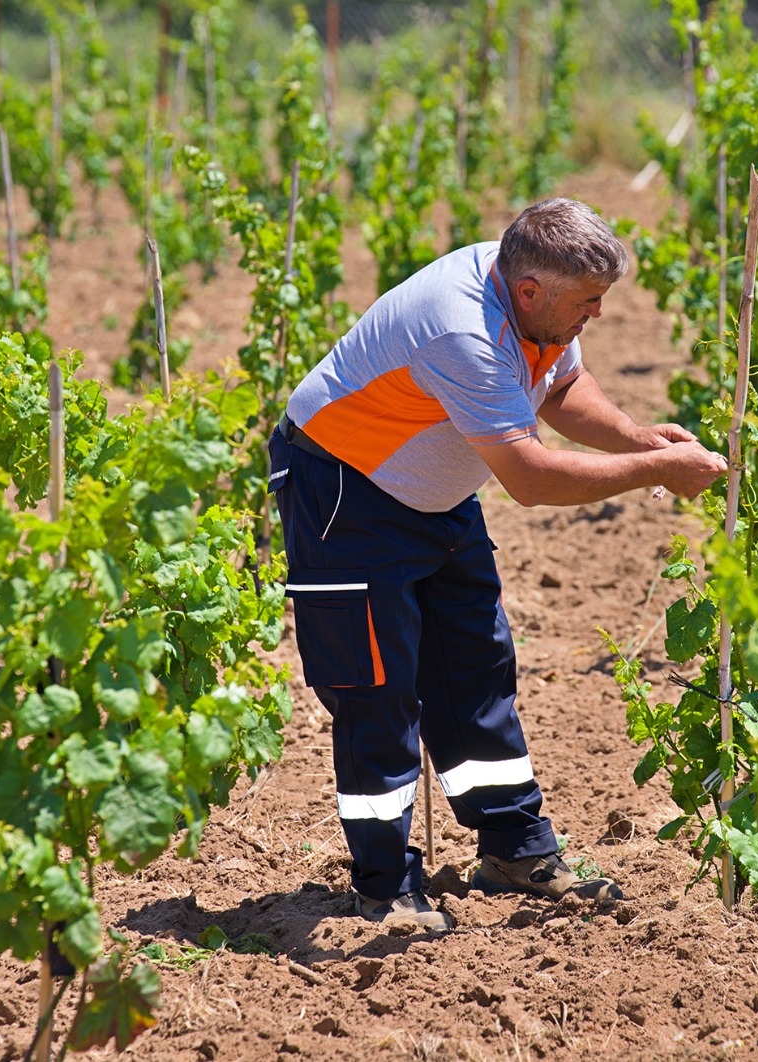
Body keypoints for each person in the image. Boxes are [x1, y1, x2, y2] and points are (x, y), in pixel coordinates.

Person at [268, 197, 728, 932]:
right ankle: (385, 887)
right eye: (589, 302)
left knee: (476, 665)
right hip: (345, 490)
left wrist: (640, 439)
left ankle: (514, 851)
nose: (598, 314)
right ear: (530, 291)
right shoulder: (464, 329)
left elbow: (562, 387)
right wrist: (657, 471)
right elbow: (532, 479)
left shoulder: (533, 298)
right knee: (376, 690)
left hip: (434, 492)